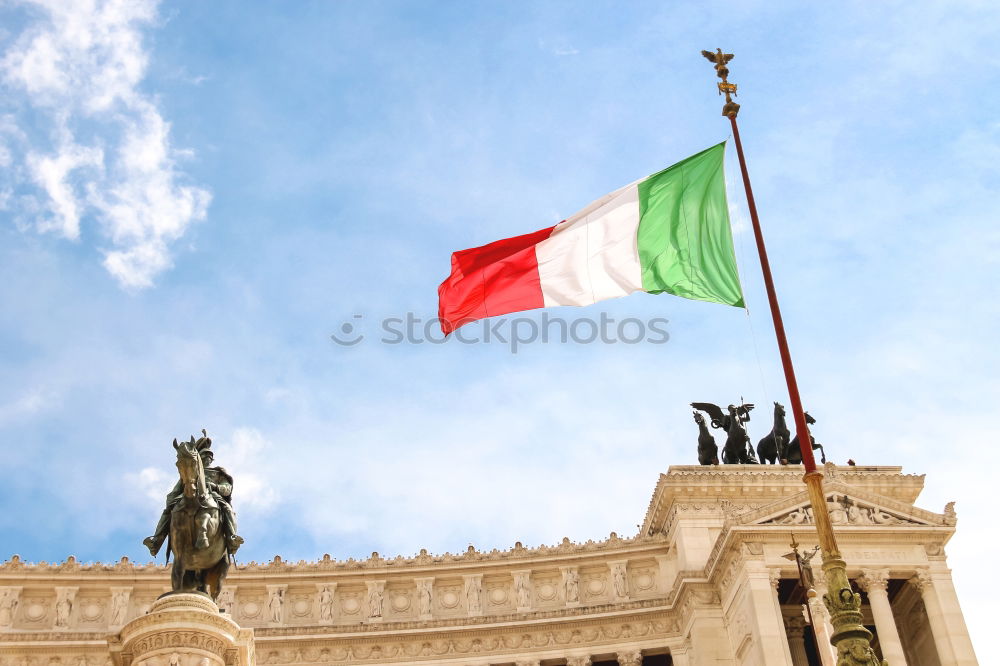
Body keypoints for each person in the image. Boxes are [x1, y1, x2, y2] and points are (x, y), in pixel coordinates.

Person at [144, 434, 243, 556]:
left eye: (209, 456)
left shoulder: (218, 472)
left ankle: (231, 539)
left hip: (213, 496)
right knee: (169, 511)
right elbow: (176, 490)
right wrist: (171, 501)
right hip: (188, 495)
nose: (207, 458)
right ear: (199, 458)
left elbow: (227, 488)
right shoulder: (191, 472)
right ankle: (156, 542)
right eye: (204, 455)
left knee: (227, 509)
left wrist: (216, 487)